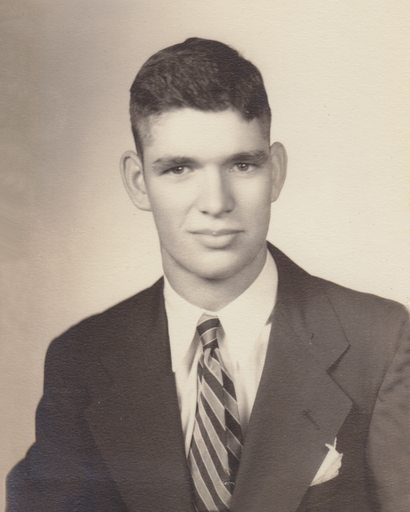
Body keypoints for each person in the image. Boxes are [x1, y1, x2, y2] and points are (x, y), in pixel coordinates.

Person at [7, 37, 410, 512]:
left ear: (276, 171)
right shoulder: (81, 359)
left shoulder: (380, 343)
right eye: (179, 168)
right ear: (138, 182)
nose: (216, 203)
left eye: (242, 164)